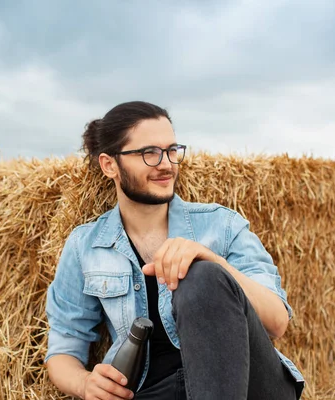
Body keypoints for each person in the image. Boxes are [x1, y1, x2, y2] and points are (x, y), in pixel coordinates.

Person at [44, 101, 305, 399]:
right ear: (109, 165)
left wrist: (212, 261)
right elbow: (64, 347)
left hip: (251, 387)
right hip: (152, 391)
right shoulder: (85, 246)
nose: (167, 164)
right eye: (149, 153)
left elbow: (276, 322)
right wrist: (85, 383)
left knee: (204, 275)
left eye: (171, 150)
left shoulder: (222, 225)